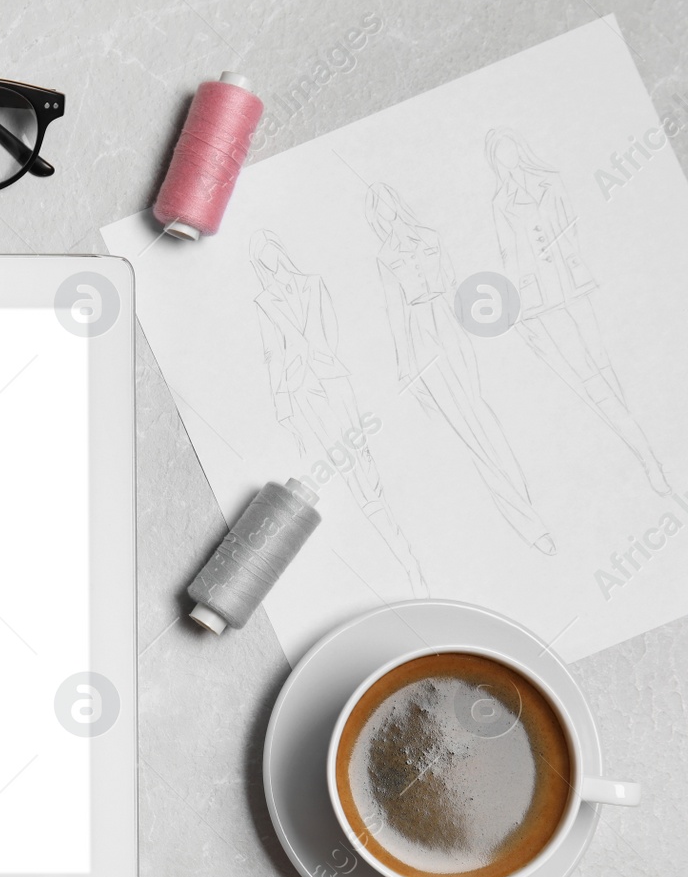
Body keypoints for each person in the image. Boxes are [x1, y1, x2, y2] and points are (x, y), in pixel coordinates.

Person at [365, 183, 555, 555]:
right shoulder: (385, 257)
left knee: (480, 412)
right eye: (378, 207)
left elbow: (452, 283)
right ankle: (530, 525)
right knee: (466, 431)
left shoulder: (430, 238)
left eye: (387, 202)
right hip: (419, 333)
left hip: (449, 324)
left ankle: (525, 498)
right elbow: (394, 309)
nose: (385, 212)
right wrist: (406, 366)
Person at [485, 128, 670, 495]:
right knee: (587, 376)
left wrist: (569, 258)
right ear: (495, 159)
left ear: (519, 146)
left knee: (603, 365)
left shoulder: (549, 180)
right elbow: (509, 255)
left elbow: (573, 223)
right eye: (499, 152)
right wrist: (517, 308)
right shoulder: (499, 202)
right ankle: (647, 458)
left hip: (572, 281)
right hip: (540, 299)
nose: (507, 155)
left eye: (510, 146)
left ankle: (646, 452)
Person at [250, 230, 426, 593]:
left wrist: (321, 358)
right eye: (262, 255)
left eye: (272, 249)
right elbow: (272, 355)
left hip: (333, 378)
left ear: (280, 249)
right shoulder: (264, 301)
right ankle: (405, 558)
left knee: (362, 454)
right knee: (345, 465)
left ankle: (407, 551)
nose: (270, 258)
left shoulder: (313, 284)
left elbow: (330, 329)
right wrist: (285, 409)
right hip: (301, 391)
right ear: (259, 262)